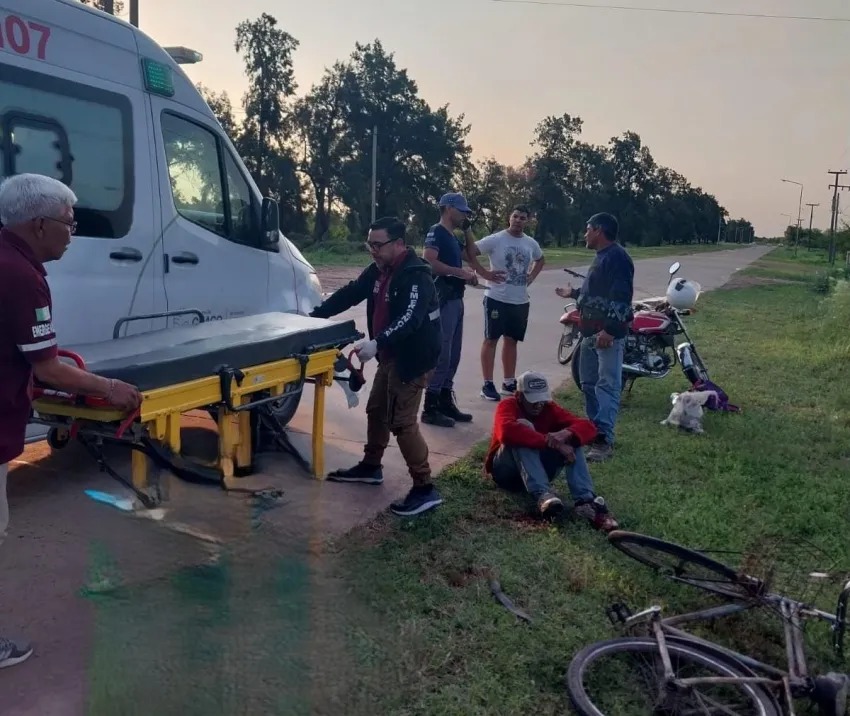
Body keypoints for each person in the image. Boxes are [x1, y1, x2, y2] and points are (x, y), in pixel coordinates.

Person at [0, 173, 142, 669]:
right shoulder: (20, 274)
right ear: (39, 225)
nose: (72, 231)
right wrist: (111, 389)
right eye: (68, 222)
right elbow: (48, 367)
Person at [309, 216, 444, 517]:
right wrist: (313, 317)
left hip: (413, 358)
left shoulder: (415, 275)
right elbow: (349, 293)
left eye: (378, 244)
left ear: (398, 244)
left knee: (402, 421)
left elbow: (410, 319)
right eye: (370, 244)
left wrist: (377, 342)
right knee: (377, 411)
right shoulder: (379, 270)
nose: (373, 250)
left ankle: (425, 488)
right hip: (390, 354)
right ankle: (371, 467)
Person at [483, 370, 618, 531]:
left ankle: (585, 501)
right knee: (523, 428)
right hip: (507, 472)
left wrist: (567, 434)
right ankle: (542, 495)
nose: (538, 404)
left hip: (537, 467)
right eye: (533, 400)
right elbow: (507, 432)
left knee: (573, 438)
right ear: (519, 396)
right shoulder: (508, 405)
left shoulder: (549, 408)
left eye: (541, 399)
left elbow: (588, 427)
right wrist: (553, 443)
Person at [555, 212, 634, 462]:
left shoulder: (617, 258)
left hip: (605, 335)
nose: (585, 234)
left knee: (607, 386)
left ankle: (603, 440)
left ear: (599, 230)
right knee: (588, 384)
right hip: (589, 334)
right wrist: (573, 293)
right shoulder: (601, 257)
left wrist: (610, 331)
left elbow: (621, 299)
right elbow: (596, 295)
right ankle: (592, 431)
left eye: (588, 229)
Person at [466, 205, 544, 401]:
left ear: (528, 221)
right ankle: (487, 384)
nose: (518, 220)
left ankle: (509, 382)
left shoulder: (530, 243)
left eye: (523, 218)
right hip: (496, 298)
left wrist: (532, 276)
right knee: (491, 339)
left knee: (512, 340)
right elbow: (470, 252)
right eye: (515, 216)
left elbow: (540, 259)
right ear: (509, 218)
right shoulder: (496, 239)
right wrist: (484, 273)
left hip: (519, 301)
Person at [420, 192, 478, 428]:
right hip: (443, 299)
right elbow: (429, 261)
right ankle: (430, 406)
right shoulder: (437, 232)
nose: (464, 214)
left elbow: (472, 255)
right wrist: (458, 272)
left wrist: (467, 229)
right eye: (461, 210)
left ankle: (445, 398)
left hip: (456, 298)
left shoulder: (453, 237)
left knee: (454, 354)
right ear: (448, 208)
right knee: (442, 353)